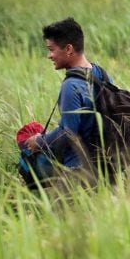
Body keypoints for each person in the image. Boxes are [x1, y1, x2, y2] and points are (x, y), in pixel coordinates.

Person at [22, 18, 111, 186]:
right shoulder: (101, 74)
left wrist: (39, 141)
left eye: (51, 49)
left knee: (62, 210)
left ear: (69, 49)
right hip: (107, 168)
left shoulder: (71, 86)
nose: (49, 56)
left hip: (78, 171)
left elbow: (68, 133)